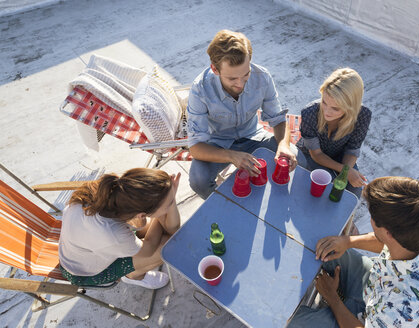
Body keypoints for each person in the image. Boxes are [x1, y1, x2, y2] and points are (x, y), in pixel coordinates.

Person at [288, 176, 419, 328]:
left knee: (296, 324)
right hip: (377, 287)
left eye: (373, 218)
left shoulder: (403, 311)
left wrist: (332, 297)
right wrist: (347, 242)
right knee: (325, 248)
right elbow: (389, 242)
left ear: (388, 233)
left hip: (374, 317)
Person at [187, 29, 298, 199]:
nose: (240, 84)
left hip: (254, 136)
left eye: (246, 75)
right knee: (198, 180)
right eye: (232, 79)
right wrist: (231, 156)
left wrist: (283, 145)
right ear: (215, 69)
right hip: (218, 144)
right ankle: (230, 208)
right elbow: (195, 148)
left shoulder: (263, 77)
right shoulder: (200, 89)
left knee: (295, 157)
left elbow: (278, 120)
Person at [58, 168, 181, 289]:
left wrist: (167, 201)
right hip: (82, 271)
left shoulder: (110, 192)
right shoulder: (113, 233)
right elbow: (148, 250)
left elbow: (173, 229)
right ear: (141, 215)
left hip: (80, 250)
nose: (171, 203)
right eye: (169, 203)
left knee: (169, 234)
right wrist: (160, 216)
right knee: (169, 247)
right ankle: (134, 275)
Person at [296, 68, 371, 198]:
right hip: (309, 154)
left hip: (340, 156)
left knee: (354, 190)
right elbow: (317, 154)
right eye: (324, 102)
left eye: (335, 108)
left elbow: (352, 150)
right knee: (325, 184)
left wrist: (345, 173)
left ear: (351, 107)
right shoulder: (309, 113)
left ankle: (346, 218)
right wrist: (345, 171)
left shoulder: (363, 115)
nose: (326, 112)